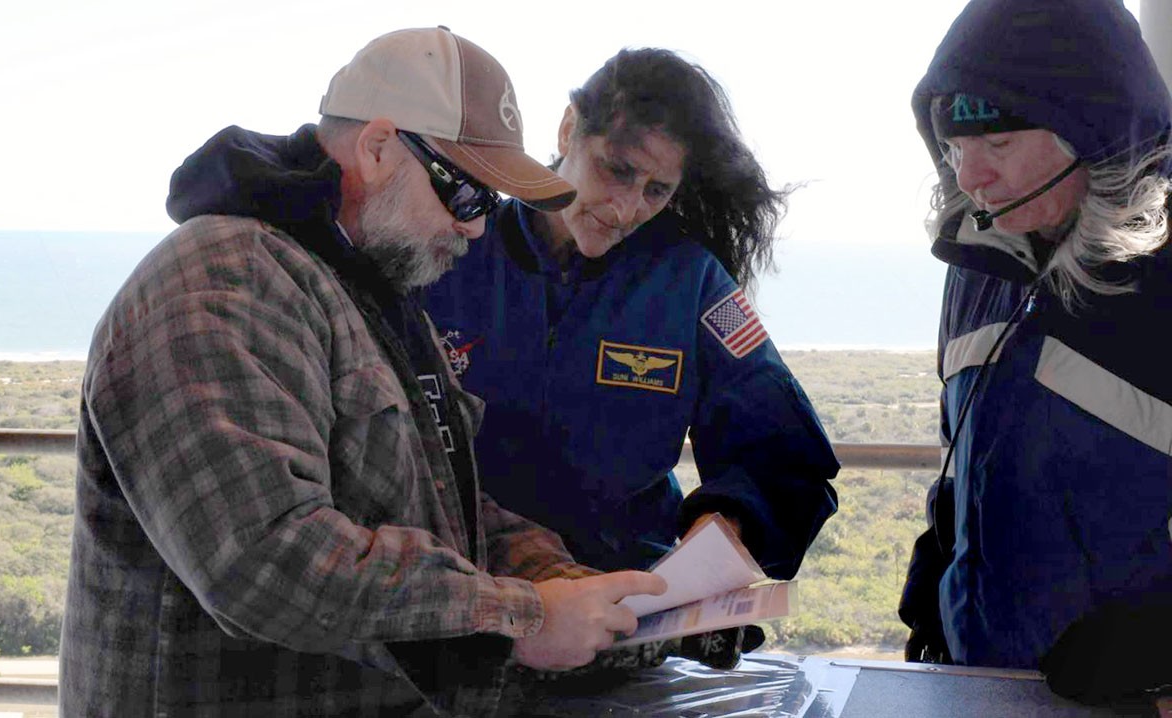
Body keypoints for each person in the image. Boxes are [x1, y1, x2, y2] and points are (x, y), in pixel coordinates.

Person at [58, 26, 670, 717]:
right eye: (466, 195)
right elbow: (266, 560)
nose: (475, 229)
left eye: (489, 207)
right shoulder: (221, 283)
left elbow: (445, 504)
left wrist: (555, 576)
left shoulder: (369, 290)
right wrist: (523, 617)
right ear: (380, 148)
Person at [422, 48, 840, 579]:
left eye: (656, 190)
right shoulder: (452, 251)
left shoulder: (695, 284)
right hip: (462, 599)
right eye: (616, 170)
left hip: (628, 610)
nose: (626, 209)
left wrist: (724, 529)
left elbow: (783, 455)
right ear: (568, 129)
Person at [897, 0, 1172, 705]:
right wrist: (939, 556)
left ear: (1095, 130)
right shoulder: (978, 267)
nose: (969, 178)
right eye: (954, 147)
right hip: (981, 683)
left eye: (998, 146)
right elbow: (966, 449)